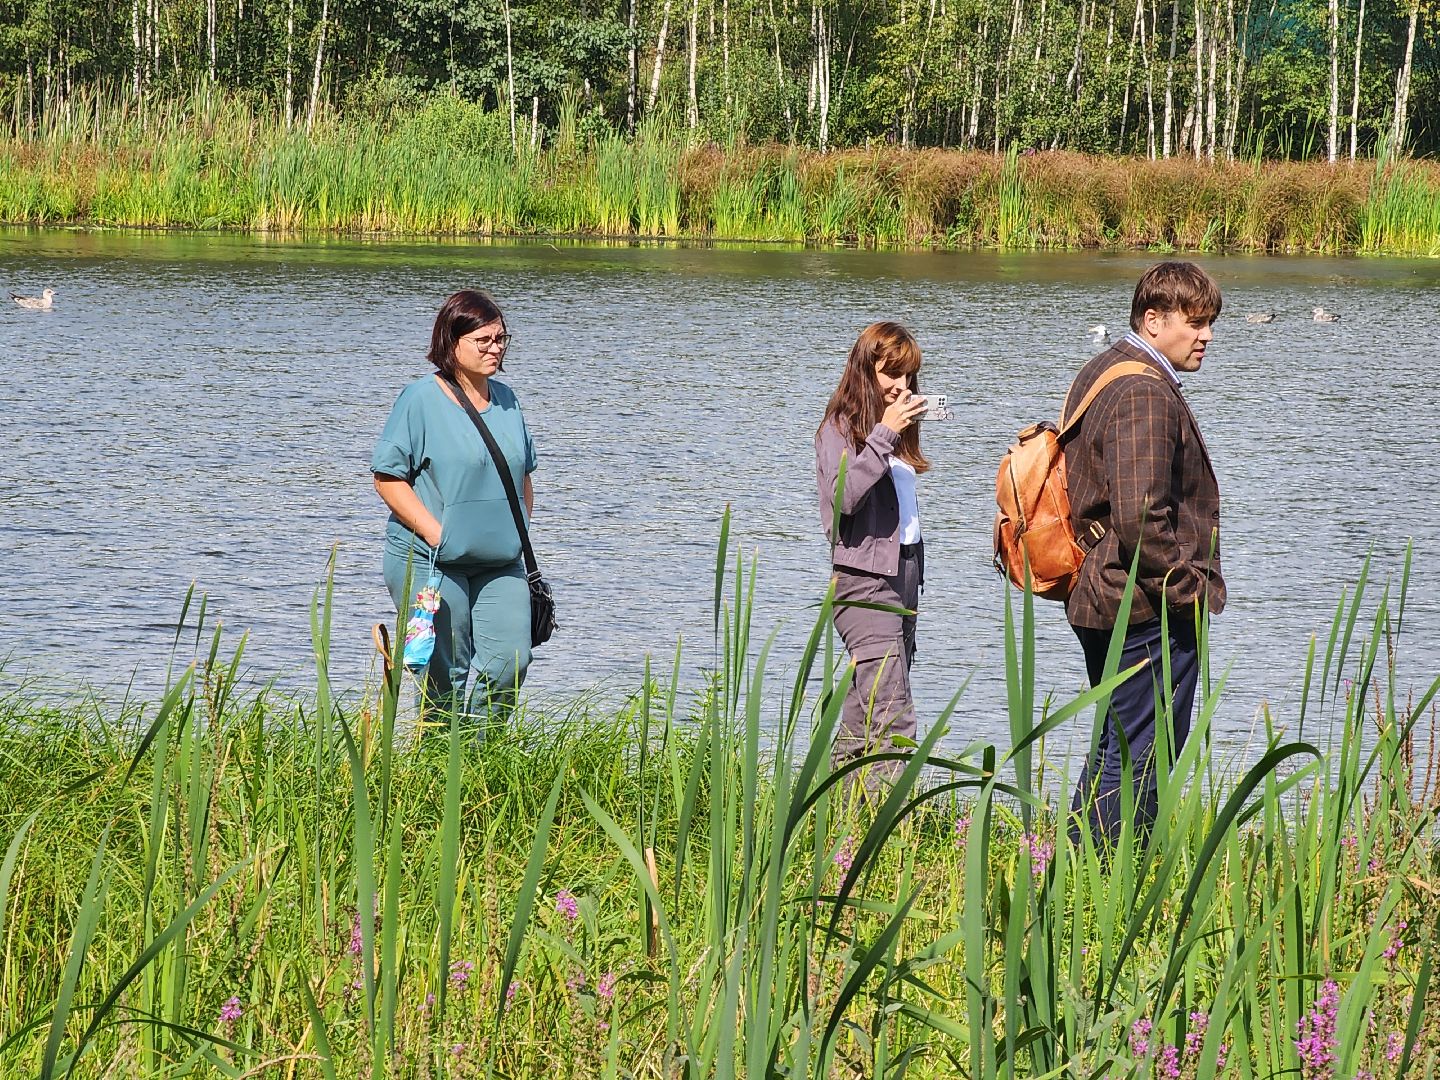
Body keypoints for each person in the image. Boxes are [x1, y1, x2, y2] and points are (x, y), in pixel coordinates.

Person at [1063, 261, 1226, 845]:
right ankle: (1107, 885)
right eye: (1196, 321)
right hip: (1141, 607)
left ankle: (1073, 875)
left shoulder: (1106, 369)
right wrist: (1190, 593)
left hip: (1107, 595)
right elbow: (1140, 519)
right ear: (1153, 321)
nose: (1206, 335)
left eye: (1211, 322)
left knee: (1116, 746)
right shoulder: (1143, 392)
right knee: (1137, 759)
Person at [372, 289, 538, 724]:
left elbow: (523, 475)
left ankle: (487, 760)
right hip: (432, 561)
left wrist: (517, 529)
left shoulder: (509, 400)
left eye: (500, 339)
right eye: (482, 340)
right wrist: (436, 533)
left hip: (501, 562)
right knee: (446, 676)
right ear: (451, 341)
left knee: (509, 664)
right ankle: (439, 769)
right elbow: (388, 477)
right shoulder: (419, 399)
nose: (495, 348)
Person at [815, 322, 932, 793]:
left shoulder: (890, 432)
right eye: (892, 375)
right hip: (864, 585)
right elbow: (844, 500)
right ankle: (890, 836)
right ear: (866, 371)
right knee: (894, 719)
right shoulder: (838, 429)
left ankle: (832, 817)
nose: (902, 386)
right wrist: (884, 436)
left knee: (863, 715)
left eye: (910, 376)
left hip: (902, 581)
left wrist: (894, 436)